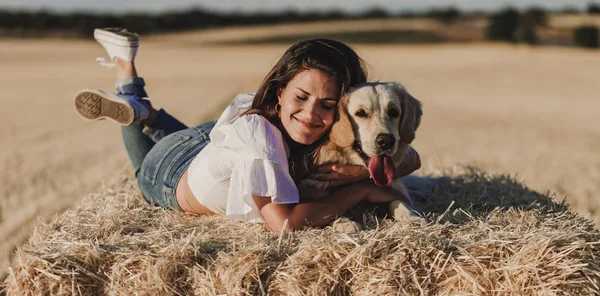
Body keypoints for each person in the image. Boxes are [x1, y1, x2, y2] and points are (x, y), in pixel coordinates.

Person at [74, 28, 417, 231]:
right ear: (280, 93)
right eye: (301, 97)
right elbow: (284, 224)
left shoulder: (323, 124)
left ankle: (144, 110)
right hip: (169, 172)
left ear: (338, 108)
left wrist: (367, 174)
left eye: (327, 104)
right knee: (141, 166)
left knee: (209, 143)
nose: (313, 113)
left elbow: (410, 158)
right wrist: (359, 191)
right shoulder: (262, 139)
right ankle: (131, 93)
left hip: (210, 143)